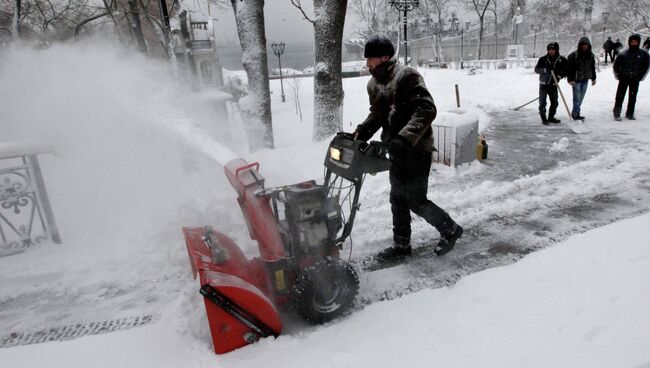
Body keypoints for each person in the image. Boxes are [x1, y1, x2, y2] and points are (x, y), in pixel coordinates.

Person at [353, 34, 463, 261]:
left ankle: (450, 229)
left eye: (371, 59)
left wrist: (405, 138)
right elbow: (378, 114)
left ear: (385, 57)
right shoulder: (373, 84)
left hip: (416, 149)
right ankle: (402, 246)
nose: (367, 64)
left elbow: (426, 109)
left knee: (415, 199)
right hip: (394, 150)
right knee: (397, 198)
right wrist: (362, 131)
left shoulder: (407, 76)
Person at [612, 34, 650, 121]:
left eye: (635, 41)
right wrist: (619, 75)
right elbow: (616, 65)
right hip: (623, 79)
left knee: (632, 97)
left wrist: (640, 77)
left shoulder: (643, 54)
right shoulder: (623, 53)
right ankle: (616, 113)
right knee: (619, 96)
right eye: (632, 41)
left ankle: (630, 114)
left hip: (635, 79)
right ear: (629, 42)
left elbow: (646, 67)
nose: (633, 43)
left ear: (638, 42)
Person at [534, 42, 568, 125]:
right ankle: (543, 118)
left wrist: (559, 76)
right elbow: (536, 70)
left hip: (553, 85)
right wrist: (545, 70)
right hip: (543, 85)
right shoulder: (543, 59)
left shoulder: (561, 59)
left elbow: (566, 70)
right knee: (542, 102)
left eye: (553, 49)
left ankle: (551, 117)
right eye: (549, 50)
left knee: (554, 102)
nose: (551, 51)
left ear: (556, 50)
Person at [566, 37, 597, 120]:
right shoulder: (573, 55)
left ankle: (575, 112)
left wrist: (593, 78)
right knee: (577, 98)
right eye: (582, 45)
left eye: (586, 45)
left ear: (588, 46)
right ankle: (575, 114)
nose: (584, 46)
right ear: (580, 45)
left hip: (585, 80)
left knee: (581, 98)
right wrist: (570, 79)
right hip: (576, 80)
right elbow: (569, 69)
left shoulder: (590, 55)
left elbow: (592, 67)